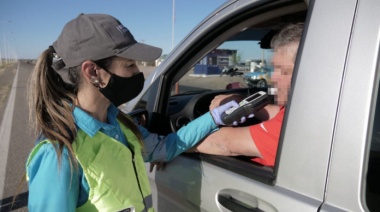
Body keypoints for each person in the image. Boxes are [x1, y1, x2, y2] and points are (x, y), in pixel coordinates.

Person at [26, 13, 245, 212]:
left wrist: (215, 117)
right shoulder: (59, 153)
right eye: (129, 65)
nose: (138, 73)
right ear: (93, 72)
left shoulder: (120, 126)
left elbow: (165, 147)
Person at [190, 23, 304, 167]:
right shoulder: (303, 112)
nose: (274, 77)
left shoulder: (293, 129)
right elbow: (276, 112)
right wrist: (241, 103)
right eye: (274, 68)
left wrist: (167, 146)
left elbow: (223, 143)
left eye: (284, 71)